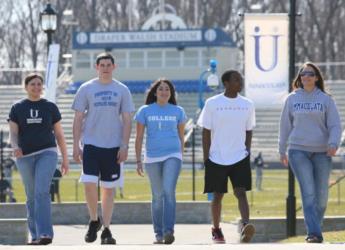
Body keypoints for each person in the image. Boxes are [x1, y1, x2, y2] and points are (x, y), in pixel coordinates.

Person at [72, 52, 134, 245]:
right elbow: (78, 117)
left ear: (114, 67)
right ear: (96, 67)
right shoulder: (86, 88)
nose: (105, 68)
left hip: (113, 146)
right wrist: (75, 145)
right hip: (91, 144)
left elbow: (127, 119)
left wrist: (124, 146)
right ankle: (93, 220)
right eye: (102, 64)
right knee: (89, 183)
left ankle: (106, 229)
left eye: (109, 64)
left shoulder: (122, 89)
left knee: (109, 189)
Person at [279, 62, 342, 243]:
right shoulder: (292, 99)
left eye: (310, 73)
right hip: (298, 151)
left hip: (323, 152)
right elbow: (284, 126)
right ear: (299, 78)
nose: (306, 76)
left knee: (321, 198)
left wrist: (333, 143)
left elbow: (335, 125)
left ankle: (315, 226)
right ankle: (314, 233)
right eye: (303, 74)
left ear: (316, 78)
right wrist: (281, 149)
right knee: (308, 193)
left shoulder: (326, 99)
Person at [8, 73, 69, 245]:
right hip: (25, 156)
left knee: (42, 192)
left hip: (47, 152)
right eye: (32, 84)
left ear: (43, 87)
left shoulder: (50, 107)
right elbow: (13, 133)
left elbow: (59, 135)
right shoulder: (17, 107)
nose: (36, 87)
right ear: (26, 87)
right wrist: (15, 147)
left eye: (39, 84)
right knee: (31, 195)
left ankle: (45, 234)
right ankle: (34, 235)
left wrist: (65, 159)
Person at [197, 70, 256, 244]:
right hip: (216, 158)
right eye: (236, 79)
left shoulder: (248, 104)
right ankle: (216, 229)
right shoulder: (212, 103)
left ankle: (246, 226)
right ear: (226, 83)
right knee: (218, 195)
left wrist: (246, 151)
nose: (240, 82)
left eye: (241, 79)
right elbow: (206, 131)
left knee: (241, 192)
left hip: (239, 156)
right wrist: (207, 157)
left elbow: (249, 130)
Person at [135, 78, 187, 244]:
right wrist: (137, 160)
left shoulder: (178, 111)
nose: (164, 92)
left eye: (167, 89)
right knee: (157, 196)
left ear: (171, 93)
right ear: (155, 92)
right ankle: (158, 234)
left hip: (173, 155)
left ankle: (168, 232)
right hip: (151, 157)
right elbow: (139, 136)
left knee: (168, 192)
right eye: (161, 89)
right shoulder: (145, 111)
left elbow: (181, 136)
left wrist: (180, 154)